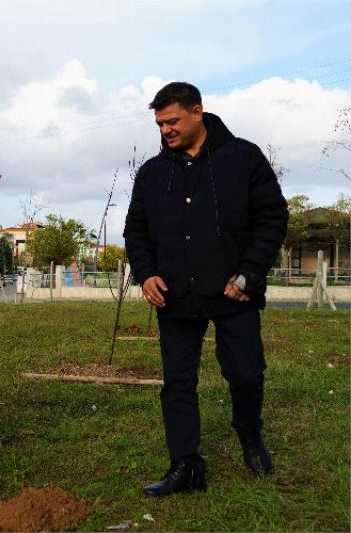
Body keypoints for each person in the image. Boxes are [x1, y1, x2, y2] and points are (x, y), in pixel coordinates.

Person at [123, 82, 288, 497]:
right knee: (178, 383)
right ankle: (185, 466)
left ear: (198, 112)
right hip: (175, 295)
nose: (165, 131)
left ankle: (250, 435)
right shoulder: (152, 173)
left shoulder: (243, 158)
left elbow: (272, 217)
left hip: (235, 293)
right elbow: (136, 230)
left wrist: (250, 272)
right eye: (160, 124)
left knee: (246, 374)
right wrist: (145, 274)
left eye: (172, 121)